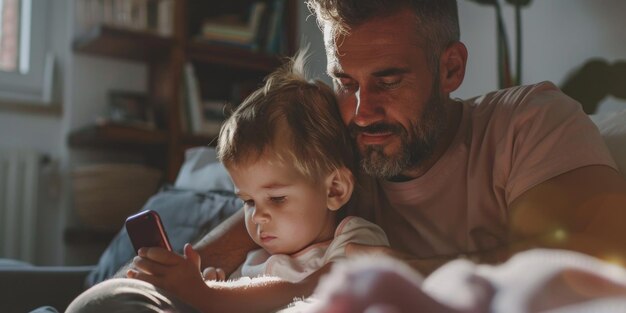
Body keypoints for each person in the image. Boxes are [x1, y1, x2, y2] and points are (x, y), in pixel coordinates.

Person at [68, 0, 626, 311]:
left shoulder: (529, 124)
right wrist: (152, 283)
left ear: (451, 69)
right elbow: (209, 261)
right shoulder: (334, 145)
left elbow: (595, 271)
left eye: (388, 79)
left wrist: (392, 274)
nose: (361, 110)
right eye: (345, 81)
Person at [66, 52, 389, 312]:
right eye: (248, 201)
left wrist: (210, 294)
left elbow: (310, 288)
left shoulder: (354, 239)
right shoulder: (254, 260)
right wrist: (214, 288)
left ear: (334, 189)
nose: (257, 217)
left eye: (276, 199)